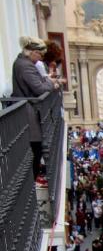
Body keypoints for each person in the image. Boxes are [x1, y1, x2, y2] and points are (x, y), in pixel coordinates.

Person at [11, 36, 60, 182]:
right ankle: (32, 179)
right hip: (28, 111)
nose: (40, 58)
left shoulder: (23, 63)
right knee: (36, 147)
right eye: (39, 54)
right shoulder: (25, 65)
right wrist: (52, 84)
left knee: (36, 147)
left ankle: (34, 176)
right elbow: (39, 88)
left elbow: (39, 83)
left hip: (29, 109)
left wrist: (47, 82)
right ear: (31, 52)